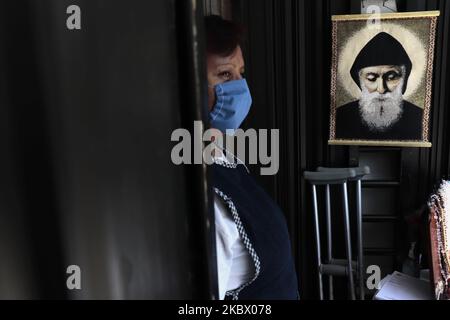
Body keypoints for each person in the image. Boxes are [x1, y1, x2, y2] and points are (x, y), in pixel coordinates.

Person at [204, 15, 299, 300]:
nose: (240, 87)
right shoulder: (210, 198)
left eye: (240, 73)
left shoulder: (226, 160)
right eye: (224, 75)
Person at [335, 32, 423, 140]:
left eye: (391, 77)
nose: (381, 89)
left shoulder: (420, 117)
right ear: (360, 81)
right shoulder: (340, 117)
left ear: (404, 79)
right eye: (371, 78)